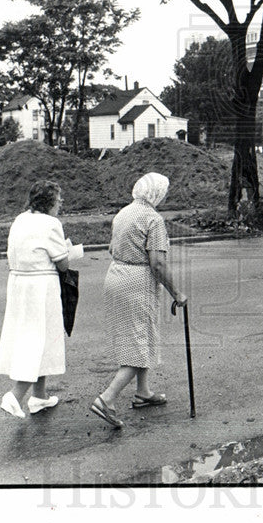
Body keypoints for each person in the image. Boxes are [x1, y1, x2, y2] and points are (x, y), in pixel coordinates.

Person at [92, 172, 187, 429]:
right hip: (137, 282)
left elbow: (112, 248)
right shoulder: (153, 219)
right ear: (157, 193)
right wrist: (177, 293)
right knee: (139, 343)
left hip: (116, 275)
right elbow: (157, 262)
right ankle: (106, 399)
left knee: (137, 337)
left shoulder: (123, 213)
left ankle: (143, 392)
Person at [0, 180, 70, 418]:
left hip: (19, 285)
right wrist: (68, 251)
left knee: (34, 336)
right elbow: (63, 263)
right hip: (41, 287)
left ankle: (40, 397)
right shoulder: (51, 224)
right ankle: (15, 395)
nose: (60, 204)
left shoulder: (20, 219)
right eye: (58, 200)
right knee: (38, 339)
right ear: (49, 202)